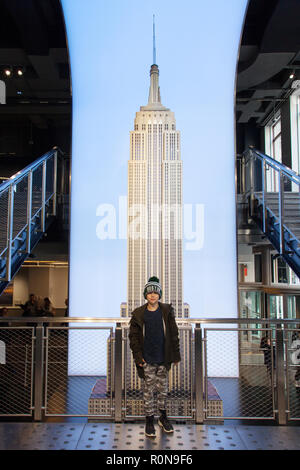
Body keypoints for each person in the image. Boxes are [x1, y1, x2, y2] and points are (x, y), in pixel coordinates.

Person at [129, 276, 181, 438]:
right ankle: (149, 420)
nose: (152, 295)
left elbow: (174, 334)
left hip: (163, 358)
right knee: (148, 391)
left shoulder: (166, 311)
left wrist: (176, 355)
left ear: (160, 295)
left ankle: (163, 417)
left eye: (155, 292)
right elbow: (134, 338)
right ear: (145, 295)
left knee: (163, 390)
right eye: (149, 293)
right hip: (146, 359)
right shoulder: (138, 313)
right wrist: (138, 357)